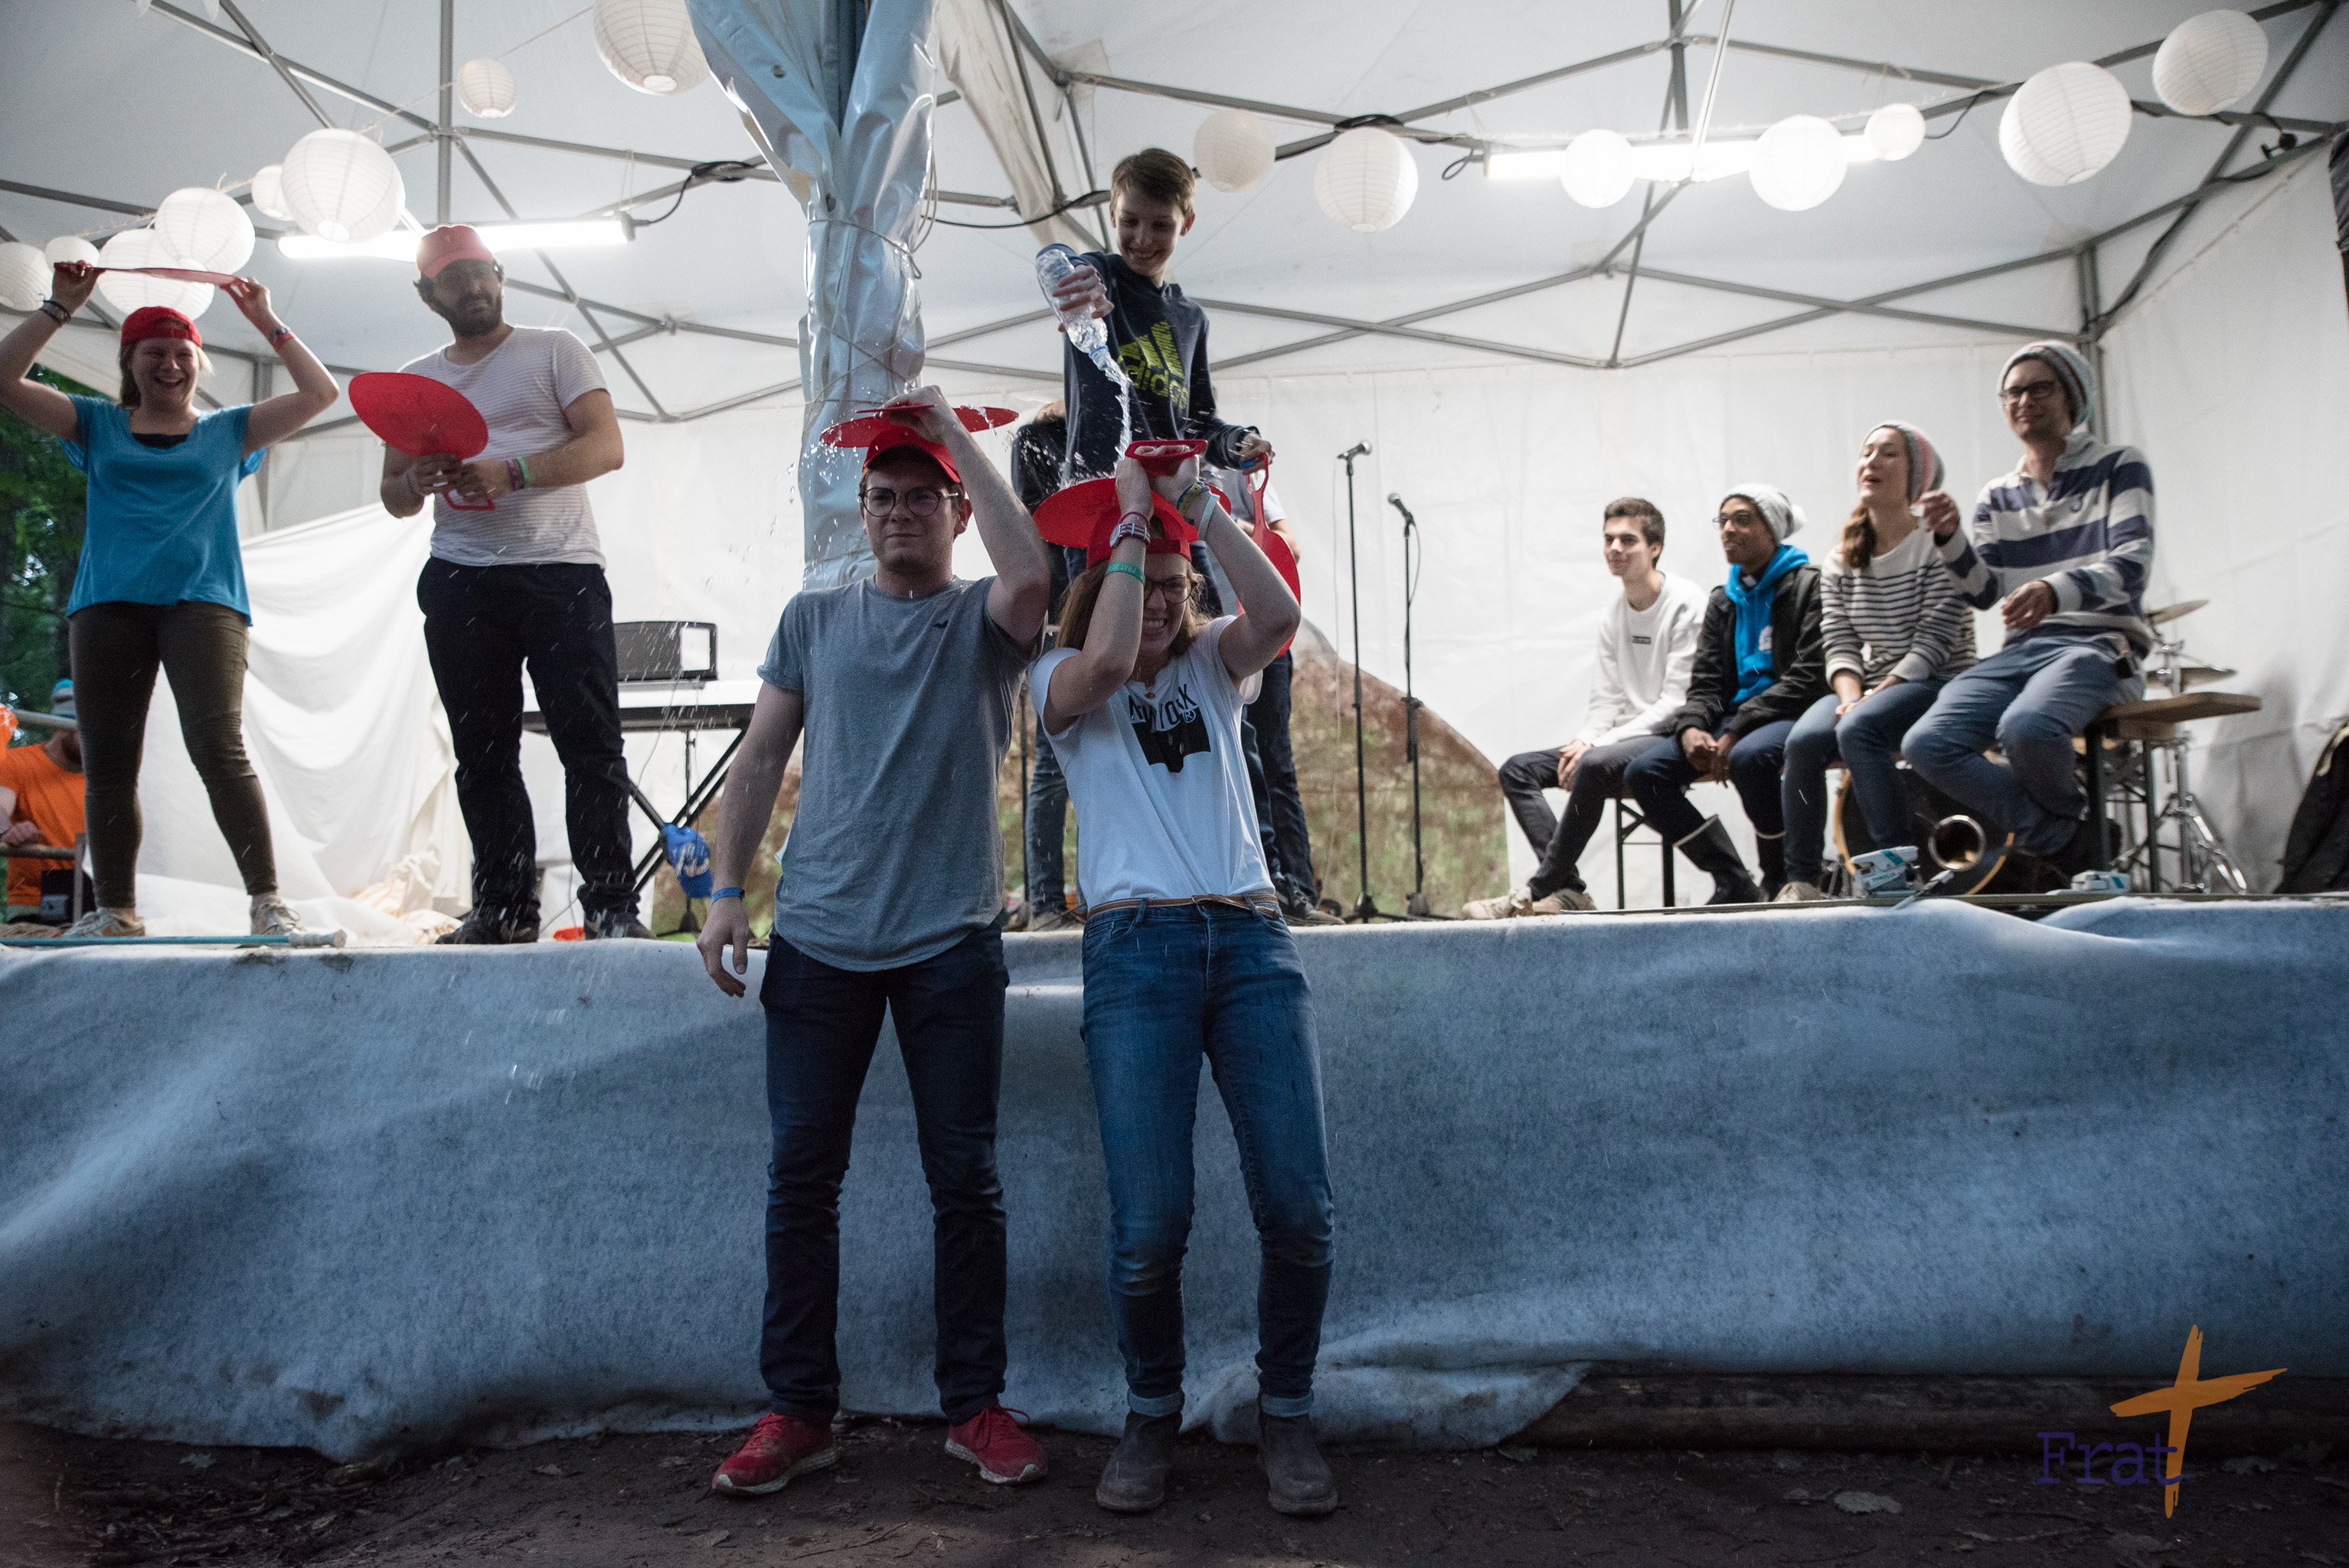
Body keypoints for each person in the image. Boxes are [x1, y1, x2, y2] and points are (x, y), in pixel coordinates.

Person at [694, 388, 1054, 1498]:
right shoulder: (812, 619)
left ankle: (974, 1406)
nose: (901, 513)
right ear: (861, 512)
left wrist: (953, 438)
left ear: (956, 513)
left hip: (951, 941)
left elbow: (1037, 579)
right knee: (801, 1181)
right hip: (818, 939)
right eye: (883, 497)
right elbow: (759, 757)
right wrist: (724, 892)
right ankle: (798, 1411)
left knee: (966, 1182)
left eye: (922, 498)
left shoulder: (985, 619)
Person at [1031, 454, 1336, 1519]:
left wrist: (1202, 504)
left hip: (1250, 940)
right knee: (1149, 1227)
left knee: (1298, 1207)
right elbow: (1111, 657)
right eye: (1143, 582)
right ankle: (1151, 1410)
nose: (1161, 601)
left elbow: (1280, 615)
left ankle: (1286, 1410)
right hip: (1136, 952)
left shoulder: (1213, 662)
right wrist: (1130, 519)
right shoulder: (1057, 677)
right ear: (1100, 582)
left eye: (1175, 585)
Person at [0, 267, 338, 938]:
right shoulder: (95, 423)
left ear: (198, 363)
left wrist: (266, 321)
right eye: (155, 352)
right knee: (109, 762)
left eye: (183, 353)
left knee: (218, 748)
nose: (171, 364)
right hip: (108, 607)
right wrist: (60, 307)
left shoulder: (230, 431)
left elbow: (321, 393)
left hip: (203, 604)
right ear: (130, 362)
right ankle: (115, 912)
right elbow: (5, 380)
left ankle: (267, 901)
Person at [378, 225, 642, 943]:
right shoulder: (414, 380)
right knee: (483, 754)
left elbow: (606, 446)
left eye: (479, 272)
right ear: (428, 295)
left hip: (562, 572)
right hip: (461, 578)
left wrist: (514, 471)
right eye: (452, 278)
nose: (470, 287)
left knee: (589, 746)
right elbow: (393, 495)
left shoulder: (556, 349)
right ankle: (504, 908)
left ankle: (611, 907)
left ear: (499, 274)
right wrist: (414, 479)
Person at [1903, 344, 2153, 871]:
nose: (2024, 400)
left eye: (2041, 388)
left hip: (2097, 645)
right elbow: (1983, 592)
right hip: (2021, 653)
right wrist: (1949, 538)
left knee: (2027, 728)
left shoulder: (2119, 464)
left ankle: (2065, 837)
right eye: (2013, 392)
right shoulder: (1996, 496)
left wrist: (2054, 590)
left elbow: (2133, 562)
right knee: (1925, 743)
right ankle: (2068, 837)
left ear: (2074, 396)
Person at [1463, 498, 1704, 918]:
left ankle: (1537, 888)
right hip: (1619, 740)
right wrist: (1584, 739)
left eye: (1628, 540)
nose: (1615, 549)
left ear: (1655, 548)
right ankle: (1569, 888)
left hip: (1668, 735)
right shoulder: (1614, 610)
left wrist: (1598, 746)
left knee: (1592, 763)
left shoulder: (1686, 601)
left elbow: (1675, 703)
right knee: (1518, 770)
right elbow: (1606, 699)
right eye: (1609, 540)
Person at [1776, 424, 1978, 901]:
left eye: (1888, 454)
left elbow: (1933, 645)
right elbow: (1840, 642)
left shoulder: (1938, 544)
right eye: (1866, 453)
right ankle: (1802, 880)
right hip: (1875, 684)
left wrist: (1867, 702)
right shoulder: (1840, 560)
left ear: (1917, 476)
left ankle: (1896, 869)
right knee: (1802, 742)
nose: (1871, 462)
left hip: (1940, 678)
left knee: (1858, 728)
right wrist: (1851, 696)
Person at [1623, 485, 1826, 904]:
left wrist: (1736, 729)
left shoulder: (1810, 585)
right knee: (1645, 774)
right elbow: (1708, 684)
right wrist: (1692, 727)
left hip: (1792, 710)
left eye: (1743, 520)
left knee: (1750, 759)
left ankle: (1780, 876)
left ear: (1773, 529)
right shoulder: (1723, 599)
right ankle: (1734, 879)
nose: (1728, 529)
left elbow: (1809, 676)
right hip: (1736, 719)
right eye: (1723, 521)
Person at [1042, 148, 1273, 485]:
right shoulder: (1098, 278)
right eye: (1130, 221)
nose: (1143, 239)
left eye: (1161, 225)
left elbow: (1199, 425)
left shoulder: (1192, 319)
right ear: (1112, 215)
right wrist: (1073, 272)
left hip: (1170, 498)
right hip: (1099, 493)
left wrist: (1238, 443)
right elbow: (1052, 259)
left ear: (1187, 223)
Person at [1204, 464, 1335, 925]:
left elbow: (1290, 545)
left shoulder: (1238, 471)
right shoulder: (1165, 468)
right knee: (1235, 762)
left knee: (1276, 763)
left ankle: (1297, 889)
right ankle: (1258, 885)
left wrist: (1223, 523)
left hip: (1261, 635)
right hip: (1207, 642)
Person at [1010, 401, 1084, 931]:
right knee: (1053, 768)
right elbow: (1039, 528)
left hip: (1089, 611)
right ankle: (1045, 901)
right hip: (1059, 617)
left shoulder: (1097, 438)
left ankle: (1065, 899)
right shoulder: (1035, 443)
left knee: (1073, 763)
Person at [1, 681, 87, 923]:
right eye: (87, 733)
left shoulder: (107, 778)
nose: (96, 743)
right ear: (62, 727)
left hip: (96, 902)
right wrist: (8, 831)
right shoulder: (17, 762)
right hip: (33, 905)